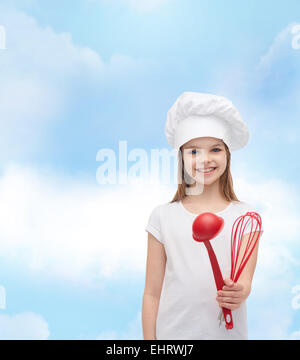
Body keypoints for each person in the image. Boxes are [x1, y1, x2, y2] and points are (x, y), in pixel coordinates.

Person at [142, 92, 264, 340]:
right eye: (194, 151)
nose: (205, 159)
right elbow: (152, 293)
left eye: (215, 149)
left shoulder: (246, 218)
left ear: (227, 155)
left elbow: (245, 282)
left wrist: (239, 291)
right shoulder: (162, 217)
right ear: (182, 157)